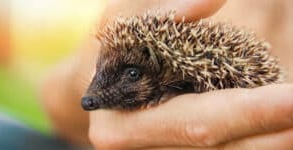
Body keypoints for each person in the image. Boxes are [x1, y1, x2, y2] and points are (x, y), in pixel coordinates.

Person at [38, 0, 293, 149]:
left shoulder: (194, 71)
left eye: (133, 74)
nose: (89, 99)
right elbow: (56, 96)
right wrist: (75, 85)